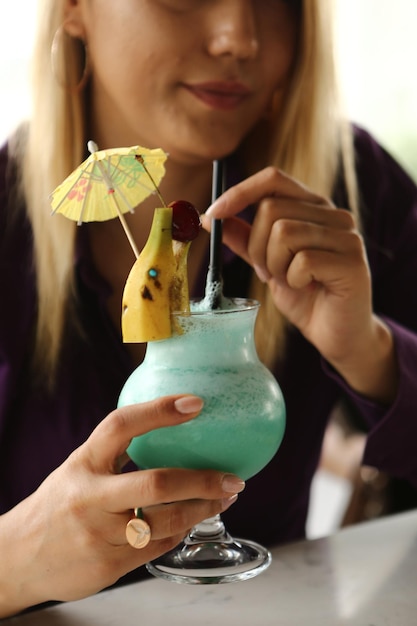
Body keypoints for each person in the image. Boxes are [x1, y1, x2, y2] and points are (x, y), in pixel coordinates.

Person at [1, 0, 417, 617]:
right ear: (74, 10)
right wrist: (17, 559)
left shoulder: (349, 191)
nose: (238, 38)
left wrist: (367, 348)